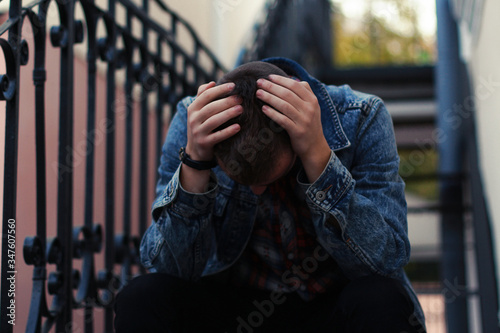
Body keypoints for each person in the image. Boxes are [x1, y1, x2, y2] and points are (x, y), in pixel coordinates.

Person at [114, 57, 426, 333]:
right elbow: (169, 269)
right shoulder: (193, 120)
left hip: (332, 307)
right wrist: (195, 165)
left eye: (271, 178)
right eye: (240, 180)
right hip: (236, 308)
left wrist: (319, 159)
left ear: (295, 139)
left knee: (380, 299)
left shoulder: (361, 116)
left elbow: (384, 262)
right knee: (143, 297)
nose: (257, 191)